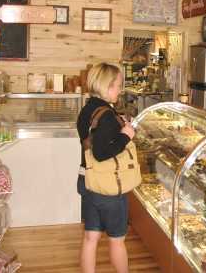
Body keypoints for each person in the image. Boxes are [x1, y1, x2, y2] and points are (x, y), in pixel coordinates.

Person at [77, 63, 135, 273]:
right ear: (107, 86)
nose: (120, 90)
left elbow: (92, 146)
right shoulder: (108, 116)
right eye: (118, 85)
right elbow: (102, 153)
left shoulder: (87, 109)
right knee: (117, 240)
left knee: (90, 237)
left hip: (87, 180)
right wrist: (125, 136)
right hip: (108, 185)